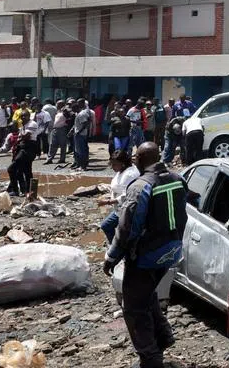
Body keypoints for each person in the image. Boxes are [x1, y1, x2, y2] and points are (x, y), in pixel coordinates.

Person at [104, 143, 188, 368]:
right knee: (147, 293)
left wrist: (112, 257)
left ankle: (150, 359)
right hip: (171, 252)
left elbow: (127, 227)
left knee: (133, 307)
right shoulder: (178, 179)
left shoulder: (140, 186)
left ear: (141, 159)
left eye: (135, 157)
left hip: (147, 256)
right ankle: (162, 338)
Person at [99, 151, 140, 242]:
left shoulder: (130, 175)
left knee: (106, 226)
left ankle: (116, 247)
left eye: (114, 164)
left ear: (123, 164)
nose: (112, 167)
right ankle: (117, 245)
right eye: (111, 164)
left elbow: (127, 195)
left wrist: (108, 202)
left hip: (127, 210)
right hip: (119, 208)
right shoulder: (123, 170)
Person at [7, 120, 40, 196]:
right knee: (27, 171)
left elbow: (26, 136)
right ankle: (29, 192)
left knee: (11, 169)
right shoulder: (23, 127)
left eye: (25, 116)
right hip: (23, 150)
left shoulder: (31, 124)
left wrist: (21, 137)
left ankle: (16, 191)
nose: (23, 118)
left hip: (27, 150)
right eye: (22, 116)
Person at [72, 100, 92, 171]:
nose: (73, 111)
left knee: (81, 151)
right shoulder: (82, 113)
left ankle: (83, 166)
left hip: (80, 135)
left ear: (76, 108)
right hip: (81, 134)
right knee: (81, 150)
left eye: (73, 109)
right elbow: (89, 120)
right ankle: (80, 165)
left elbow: (85, 123)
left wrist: (79, 132)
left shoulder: (81, 114)